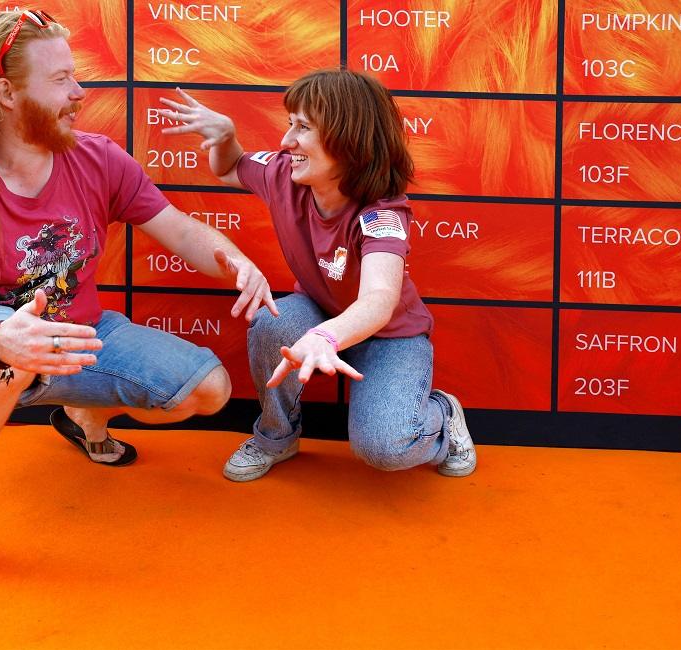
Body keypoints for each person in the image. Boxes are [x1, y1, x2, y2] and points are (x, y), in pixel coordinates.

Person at [0, 10, 276, 615]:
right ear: (7, 93)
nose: (80, 93)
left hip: (85, 335)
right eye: (61, 80)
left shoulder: (97, 158)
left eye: (75, 77)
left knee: (209, 391)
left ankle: (84, 420)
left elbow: (183, 232)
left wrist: (236, 261)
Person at [157, 69, 476, 482]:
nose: (286, 142)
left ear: (349, 141)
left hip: (390, 336)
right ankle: (276, 437)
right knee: (275, 320)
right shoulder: (283, 173)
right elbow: (231, 167)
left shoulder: (382, 213)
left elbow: (379, 300)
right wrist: (225, 138)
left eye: (302, 128)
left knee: (386, 448)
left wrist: (326, 336)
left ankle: (444, 413)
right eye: (290, 124)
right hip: (319, 309)